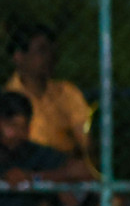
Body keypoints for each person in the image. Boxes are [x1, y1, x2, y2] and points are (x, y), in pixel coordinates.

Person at [0, 92, 92, 206]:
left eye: (24, 127)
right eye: (12, 126)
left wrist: (32, 178)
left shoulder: (35, 153)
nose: (19, 133)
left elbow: (84, 170)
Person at [6, 25, 92, 162]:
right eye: (41, 51)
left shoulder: (67, 92)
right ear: (19, 57)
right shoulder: (7, 98)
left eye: (53, 51)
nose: (50, 57)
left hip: (63, 170)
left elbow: (85, 142)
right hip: (23, 171)